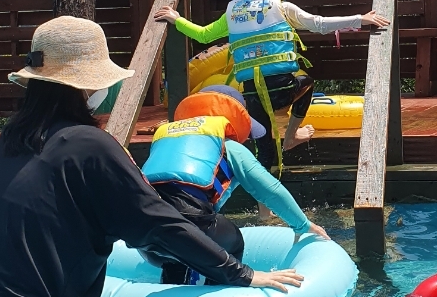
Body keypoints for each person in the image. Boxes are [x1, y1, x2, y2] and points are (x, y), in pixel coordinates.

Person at [0, 15, 304, 297]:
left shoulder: (13, 138)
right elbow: (159, 223)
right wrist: (242, 274)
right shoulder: (90, 146)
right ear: (87, 87)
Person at [155, 0, 390, 169]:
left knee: (265, 152)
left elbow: (203, 35)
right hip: (282, 89)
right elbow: (319, 24)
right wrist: (360, 19)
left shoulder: (232, 12)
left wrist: (176, 19)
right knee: (307, 83)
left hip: (252, 93)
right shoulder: (282, 6)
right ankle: (291, 136)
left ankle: (260, 199)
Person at [140, 84, 330, 283]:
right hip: (189, 228)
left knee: (179, 248)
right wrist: (302, 224)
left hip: (145, 236)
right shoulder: (229, 147)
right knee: (232, 242)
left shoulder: (167, 141)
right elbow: (270, 190)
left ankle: (171, 286)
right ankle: (217, 292)